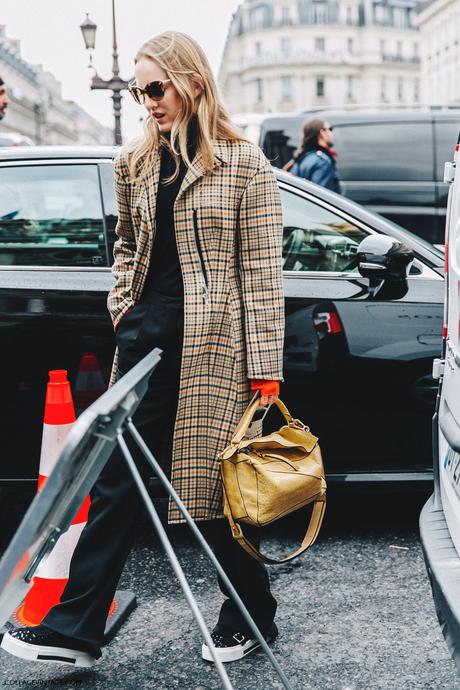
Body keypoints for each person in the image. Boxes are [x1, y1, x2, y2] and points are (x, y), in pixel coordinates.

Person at [1, 32, 285, 668]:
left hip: (216, 349)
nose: (146, 101)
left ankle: (249, 612)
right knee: (118, 484)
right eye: (138, 90)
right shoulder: (135, 160)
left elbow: (263, 272)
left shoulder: (243, 163)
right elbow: (126, 245)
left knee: (212, 491)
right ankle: (74, 629)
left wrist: (265, 370)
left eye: (155, 88)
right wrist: (123, 304)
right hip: (146, 342)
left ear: (190, 82)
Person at [285, 117, 341, 193]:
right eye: (330, 129)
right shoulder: (322, 161)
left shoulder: (301, 158)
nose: (332, 133)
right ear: (322, 133)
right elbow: (322, 197)